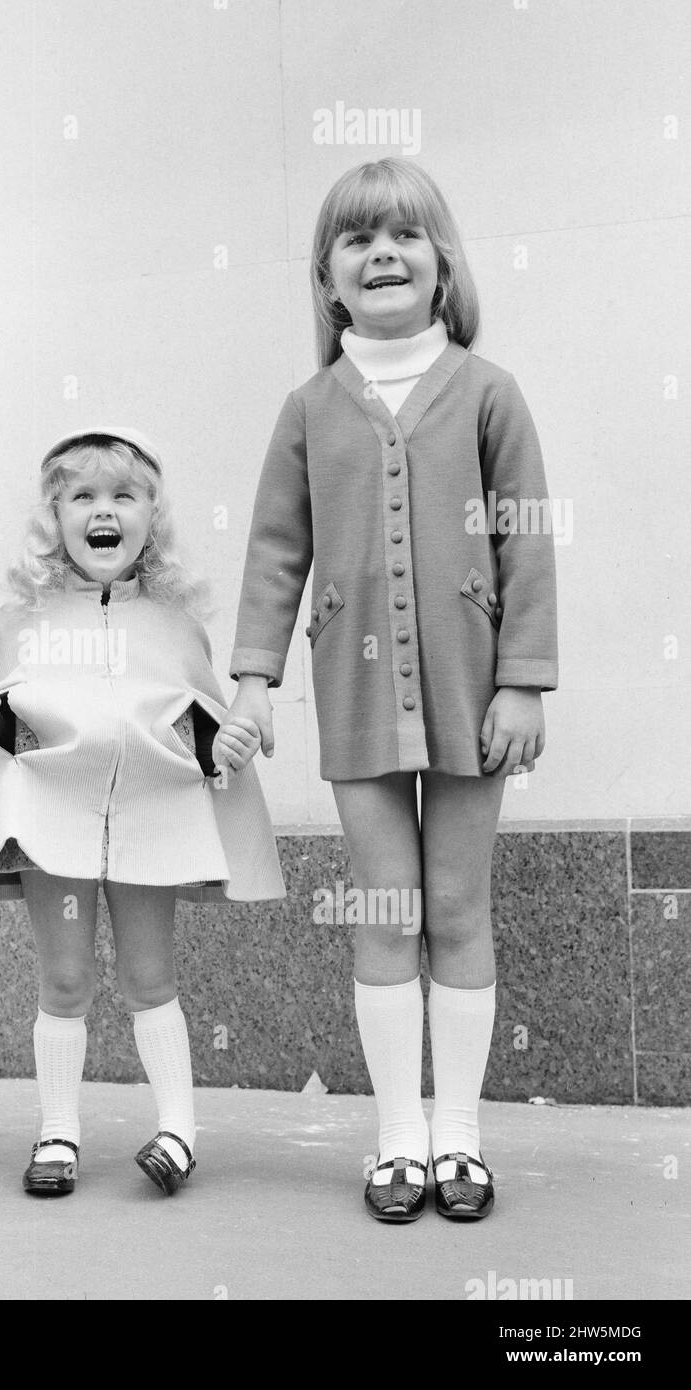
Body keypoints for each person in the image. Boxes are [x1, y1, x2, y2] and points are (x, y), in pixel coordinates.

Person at [225, 159, 557, 1222]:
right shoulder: (308, 407)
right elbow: (276, 552)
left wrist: (524, 682)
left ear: (440, 264)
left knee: (455, 906)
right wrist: (251, 679)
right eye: (356, 238)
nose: (381, 252)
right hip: (356, 692)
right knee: (384, 908)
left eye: (403, 234)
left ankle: (458, 1136)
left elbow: (525, 544)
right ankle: (396, 1142)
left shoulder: (488, 392)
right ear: (325, 279)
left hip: (470, 689)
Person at [0, 428, 285, 1197]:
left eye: (124, 495)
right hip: (55, 825)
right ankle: (58, 1133)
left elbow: (192, 728)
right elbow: (10, 737)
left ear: (152, 514)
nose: (104, 510)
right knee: (64, 981)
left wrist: (226, 747)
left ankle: (179, 1131)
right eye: (82, 496)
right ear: (54, 517)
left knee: (151, 976)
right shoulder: (21, 624)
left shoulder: (172, 625)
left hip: (148, 820)